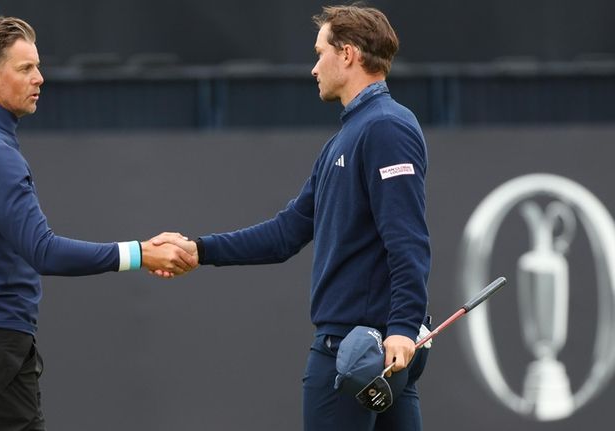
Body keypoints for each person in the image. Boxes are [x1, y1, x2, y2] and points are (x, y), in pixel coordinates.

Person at [0, 8, 196, 430]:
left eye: (38, 67)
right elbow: (43, 251)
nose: (39, 78)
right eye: (25, 68)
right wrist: (141, 254)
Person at [154, 4, 431, 430]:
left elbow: (407, 239)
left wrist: (402, 327)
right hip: (365, 351)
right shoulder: (347, 136)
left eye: (320, 53)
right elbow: (286, 234)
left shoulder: (386, 127)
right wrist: (200, 249)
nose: (314, 68)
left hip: (360, 353)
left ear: (348, 54)